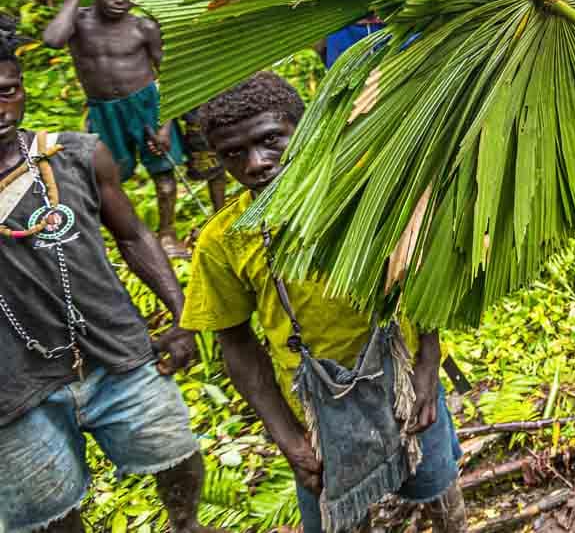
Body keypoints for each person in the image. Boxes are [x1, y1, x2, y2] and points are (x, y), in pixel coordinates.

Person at [178, 72, 467, 532]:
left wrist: (429, 366)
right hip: (314, 414)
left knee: (436, 489)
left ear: (305, 128)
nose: (255, 164)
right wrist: (289, 438)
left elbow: (424, 272)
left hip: (407, 382)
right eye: (233, 153)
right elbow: (235, 343)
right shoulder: (225, 241)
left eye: (271, 140)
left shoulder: (364, 191)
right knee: (340, 518)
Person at [0, 24, 220, 533]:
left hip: (113, 350)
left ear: (23, 88)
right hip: (15, 379)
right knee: (50, 510)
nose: (0, 108)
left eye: (7, 91)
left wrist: (183, 315)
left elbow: (134, 235)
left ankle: (185, 526)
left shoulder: (75, 155)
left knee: (176, 452)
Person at [42, 0, 190, 257]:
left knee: (164, 178)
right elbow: (52, 40)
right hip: (105, 111)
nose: (120, 0)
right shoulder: (79, 24)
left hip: (146, 106)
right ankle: (127, 236)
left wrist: (165, 124)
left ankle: (168, 234)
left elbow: (171, 75)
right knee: (108, 178)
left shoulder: (143, 27)